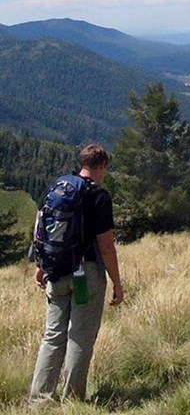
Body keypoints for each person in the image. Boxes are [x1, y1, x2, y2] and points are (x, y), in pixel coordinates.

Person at [29, 144, 124, 405]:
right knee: (80, 338)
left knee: (52, 335)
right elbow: (106, 246)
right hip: (86, 273)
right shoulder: (99, 196)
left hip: (55, 272)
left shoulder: (59, 187)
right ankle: (72, 401)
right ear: (102, 166)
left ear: (81, 162)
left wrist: (40, 265)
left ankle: (39, 400)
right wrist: (117, 283)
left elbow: (43, 228)